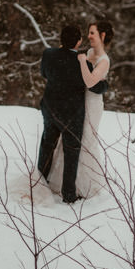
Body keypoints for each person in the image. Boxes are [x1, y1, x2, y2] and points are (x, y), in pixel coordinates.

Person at [36, 24, 88, 203]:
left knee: (47, 145)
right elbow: (92, 85)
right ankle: (69, 194)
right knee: (71, 153)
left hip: (50, 109)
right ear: (79, 41)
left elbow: (44, 74)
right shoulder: (83, 63)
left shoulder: (48, 54)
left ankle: (39, 184)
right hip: (72, 115)